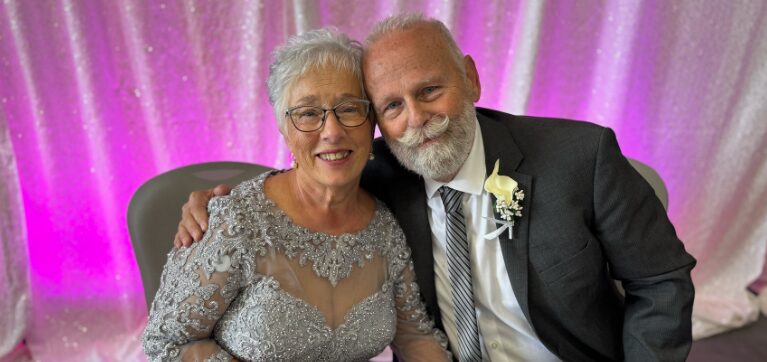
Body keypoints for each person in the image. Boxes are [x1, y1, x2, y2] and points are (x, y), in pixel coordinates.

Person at [176, 14, 697, 362]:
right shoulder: (377, 176)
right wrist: (218, 205)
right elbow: (311, 168)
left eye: (429, 91)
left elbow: (661, 281)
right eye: (392, 106)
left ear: (469, 78)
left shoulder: (580, 158)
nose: (417, 119)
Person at [142, 28, 451, 361]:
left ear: (371, 122)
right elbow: (168, 342)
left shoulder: (386, 227)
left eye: (348, 109)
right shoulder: (236, 222)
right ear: (284, 130)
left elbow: (415, 335)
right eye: (307, 114)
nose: (332, 131)